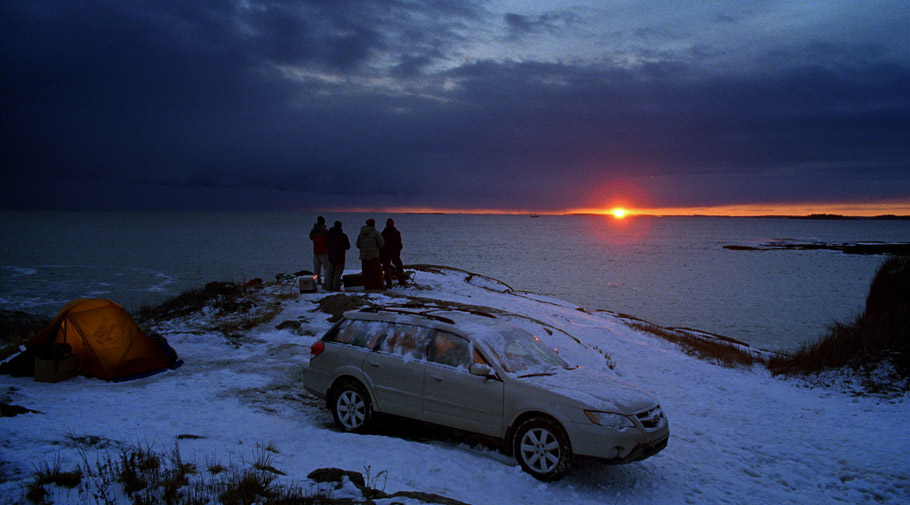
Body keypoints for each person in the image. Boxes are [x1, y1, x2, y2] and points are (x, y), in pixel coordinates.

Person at [356, 218, 385, 291]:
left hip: (364, 257)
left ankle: (368, 287)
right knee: (377, 273)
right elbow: (381, 244)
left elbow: (358, 245)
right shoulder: (376, 233)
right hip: (373, 256)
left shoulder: (361, 234)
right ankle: (379, 288)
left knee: (366, 274)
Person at [380, 218, 407, 288]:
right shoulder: (396, 233)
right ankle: (401, 281)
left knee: (387, 268)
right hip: (394, 253)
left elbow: (381, 245)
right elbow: (400, 245)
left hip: (386, 253)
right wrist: (397, 251)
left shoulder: (383, 233)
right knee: (399, 267)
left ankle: (389, 283)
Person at [324, 220, 350, 291]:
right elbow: (348, 246)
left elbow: (326, 244)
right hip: (340, 257)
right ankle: (335, 288)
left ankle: (329, 287)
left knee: (330, 272)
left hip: (331, 256)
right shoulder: (343, 236)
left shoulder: (329, 236)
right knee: (337, 274)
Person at [309, 216, 329, 285]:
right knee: (327, 268)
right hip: (324, 251)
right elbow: (328, 240)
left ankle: (317, 281)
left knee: (316, 268)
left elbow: (311, 237)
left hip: (316, 251)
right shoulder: (325, 231)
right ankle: (327, 282)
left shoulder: (313, 230)